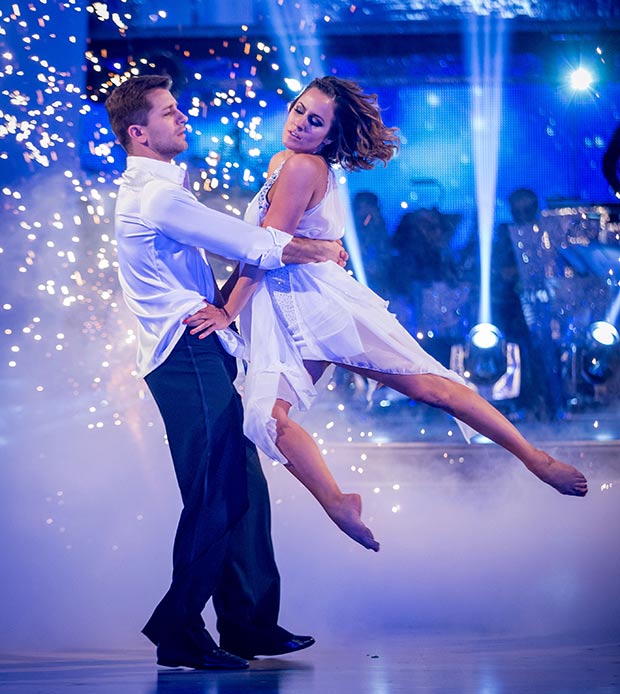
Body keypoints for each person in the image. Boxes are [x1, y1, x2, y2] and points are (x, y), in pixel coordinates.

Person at [185, 76, 588, 553]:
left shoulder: (302, 169)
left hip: (322, 307)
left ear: (329, 136)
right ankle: (338, 503)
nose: (299, 124)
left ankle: (536, 459)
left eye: (314, 122)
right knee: (264, 420)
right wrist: (304, 256)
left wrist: (228, 309)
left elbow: (265, 251)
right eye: (298, 111)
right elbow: (265, 248)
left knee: (430, 388)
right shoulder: (282, 163)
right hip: (282, 314)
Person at [105, 74, 348, 670]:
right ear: (139, 132)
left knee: (242, 486)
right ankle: (179, 629)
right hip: (184, 353)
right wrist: (322, 250)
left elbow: (244, 245)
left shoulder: (159, 190)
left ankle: (248, 623)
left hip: (201, 348)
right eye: (168, 113)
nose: (181, 117)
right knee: (216, 494)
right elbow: (252, 241)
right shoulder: (157, 197)